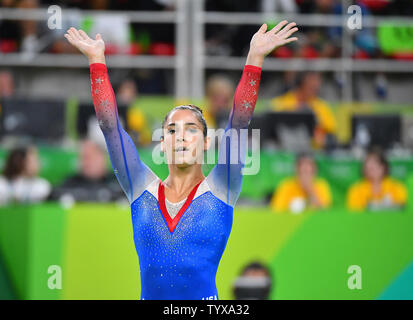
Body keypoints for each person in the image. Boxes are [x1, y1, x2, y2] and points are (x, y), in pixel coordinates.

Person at [64, 20, 298, 300]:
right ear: (163, 145)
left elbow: (239, 124)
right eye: (172, 131)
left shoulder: (222, 188)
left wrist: (255, 58)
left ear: (207, 142)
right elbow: (110, 125)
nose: (181, 137)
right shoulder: (141, 188)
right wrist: (96, 60)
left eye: (191, 130)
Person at [271, 71, 337, 149]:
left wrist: (321, 137)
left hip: (313, 151)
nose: (316, 86)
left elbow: (331, 132)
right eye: (311, 84)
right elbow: (271, 125)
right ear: (301, 84)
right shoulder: (282, 102)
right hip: (284, 148)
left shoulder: (322, 106)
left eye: (317, 85)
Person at [50, 139, 123, 203]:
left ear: (102, 158)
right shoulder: (71, 182)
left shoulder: (118, 182)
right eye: (82, 158)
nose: (85, 163)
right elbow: (54, 195)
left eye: (89, 157)